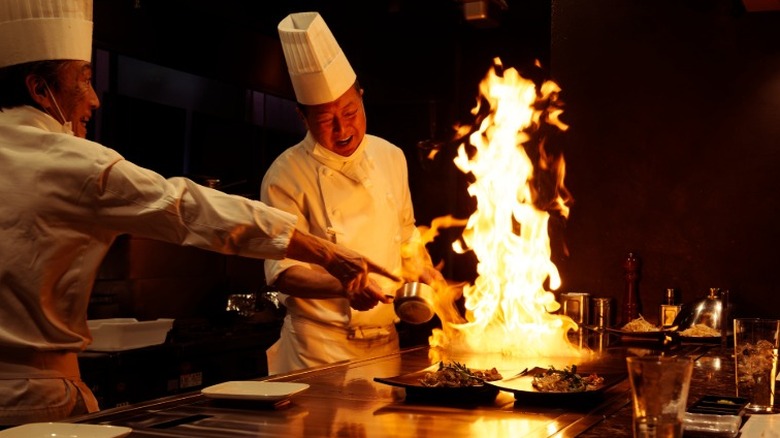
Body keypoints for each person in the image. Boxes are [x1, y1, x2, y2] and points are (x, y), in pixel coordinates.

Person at [0, 0, 397, 426]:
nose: (95, 99)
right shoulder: (72, 161)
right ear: (39, 89)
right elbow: (186, 207)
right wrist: (328, 253)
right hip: (35, 397)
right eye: (84, 79)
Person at [262, 12, 444, 375]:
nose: (343, 129)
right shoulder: (284, 175)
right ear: (302, 117)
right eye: (325, 119)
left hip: (385, 345)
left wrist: (422, 268)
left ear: (361, 97)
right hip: (318, 350)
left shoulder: (391, 156)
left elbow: (406, 235)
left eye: (350, 111)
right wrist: (343, 285)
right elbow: (283, 273)